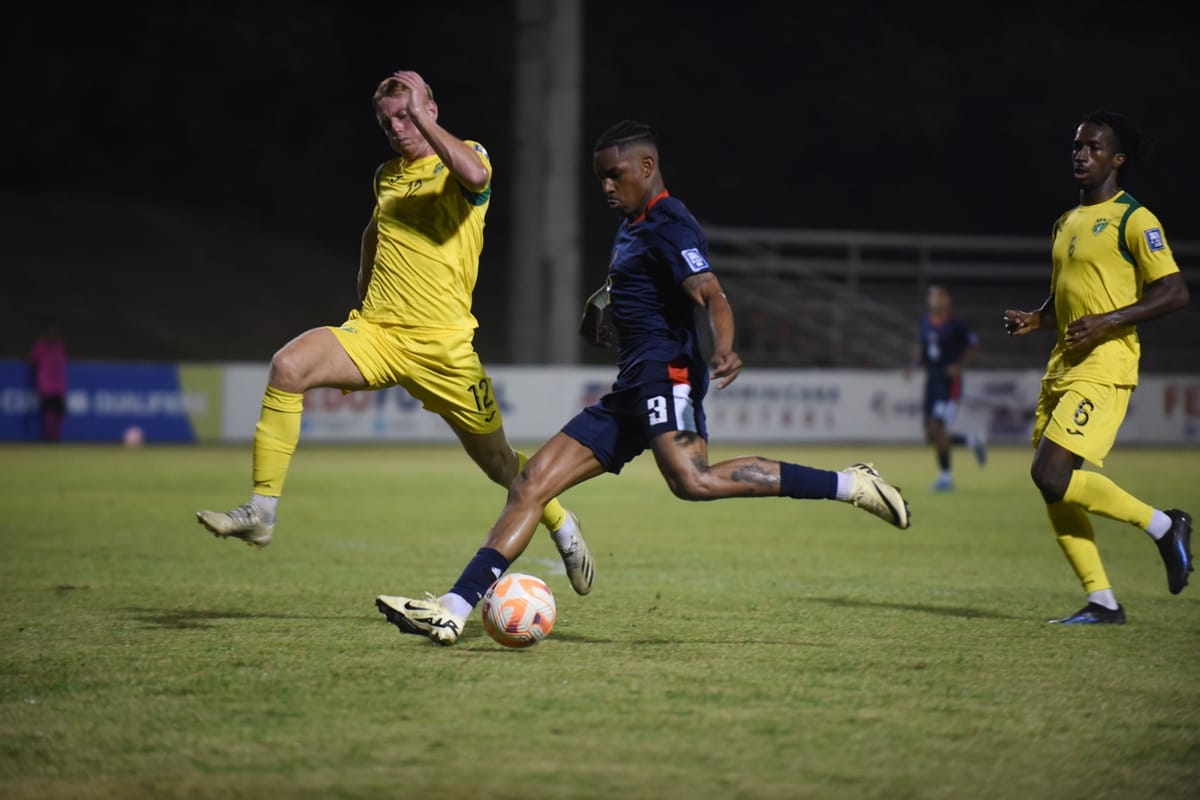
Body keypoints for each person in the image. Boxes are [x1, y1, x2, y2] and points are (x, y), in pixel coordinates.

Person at [375, 120, 911, 645]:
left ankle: (852, 484)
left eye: (615, 175)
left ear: (646, 167)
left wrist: (724, 345)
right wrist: (597, 308)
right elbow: (630, 284)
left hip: (667, 370)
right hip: (632, 384)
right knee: (531, 482)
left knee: (692, 480)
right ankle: (452, 609)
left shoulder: (669, 221)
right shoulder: (632, 227)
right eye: (600, 178)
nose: (606, 187)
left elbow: (710, 292)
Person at [196, 70, 594, 597]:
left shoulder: (465, 156)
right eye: (388, 122)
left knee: (500, 464)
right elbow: (374, 229)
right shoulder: (387, 176)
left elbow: (475, 177)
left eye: (407, 114)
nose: (398, 127)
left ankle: (562, 523)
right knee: (288, 365)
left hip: (444, 350)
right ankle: (261, 511)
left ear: (432, 109)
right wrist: (362, 294)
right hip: (378, 335)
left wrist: (424, 121)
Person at [1003, 108, 1192, 625]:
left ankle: (1163, 525)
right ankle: (1102, 602)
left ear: (1117, 159)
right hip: (1063, 362)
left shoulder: (1136, 219)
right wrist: (1037, 319)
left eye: (1093, 147)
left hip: (1105, 364)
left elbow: (1174, 292)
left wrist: (1109, 321)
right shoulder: (1066, 221)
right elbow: (1070, 295)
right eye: (1077, 147)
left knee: (1051, 472)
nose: (1082, 155)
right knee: (1051, 484)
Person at [907, 284, 987, 492]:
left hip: (949, 383)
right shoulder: (925, 323)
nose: (935, 301)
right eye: (932, 297)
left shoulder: (956, 325)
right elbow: (922, 347)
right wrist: (914, 364)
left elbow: (975, 347)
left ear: (947, 301)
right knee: (930, 435)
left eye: (939, 297)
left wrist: (958, 366)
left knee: (937, 426)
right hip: (931, 382)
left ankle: (946, 478)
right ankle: (972, 440)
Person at [29, 321, 68, 442]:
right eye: (50, 332)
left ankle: (55, 436)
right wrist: (39, 378)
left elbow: (64, 362)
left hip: (59, 386)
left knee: (59, 412)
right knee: (47, 412)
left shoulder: (59, 346)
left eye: (55, 332)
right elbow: (33, 363)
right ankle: (48, 436)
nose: (53, 334)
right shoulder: (40, 347)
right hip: (46, 385)